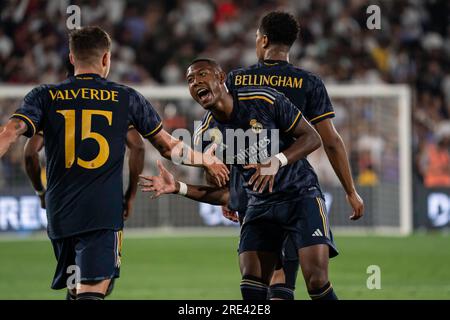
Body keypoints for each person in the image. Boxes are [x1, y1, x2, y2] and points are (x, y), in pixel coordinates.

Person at [0, 26, 228, 300]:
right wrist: (204, 159)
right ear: (106, 59)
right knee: (94, 290)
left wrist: (40, 192)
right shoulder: (126, 97)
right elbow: (168, 147)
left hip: (60, 211)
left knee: (76, 288)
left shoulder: (45, 95)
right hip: (102, 211)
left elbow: (12, 135)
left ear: (72, 58)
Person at [142, 58, 338, 300]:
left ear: (222, 78)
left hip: (299, 195)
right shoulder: (206, 136)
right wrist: (179, 187)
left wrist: (276, 161)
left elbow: (312, 138)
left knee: (317, 281)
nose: (196, 82)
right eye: (190, 80)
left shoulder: (263, 99)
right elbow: (228, 195)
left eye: (202, 74)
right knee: (251, 287)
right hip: (258, 207)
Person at [225, 11, 364, 299]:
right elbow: (331, 141)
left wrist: (231, 190)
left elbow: (230, 139)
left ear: (262, 40)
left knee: (258, 280)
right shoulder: (308, 82)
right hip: (298, 189)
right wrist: (351, 190)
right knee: (311, 281)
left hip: (256, 194)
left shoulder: (237, 81)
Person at [24, 127, 144, 299]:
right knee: (95, 284)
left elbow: (29, 153)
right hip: (102, 207)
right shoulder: (116, 102)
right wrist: (130, 195)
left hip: (61, 209)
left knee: (75, 284)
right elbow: (138, 146)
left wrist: (41, 192)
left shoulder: (53, 103)